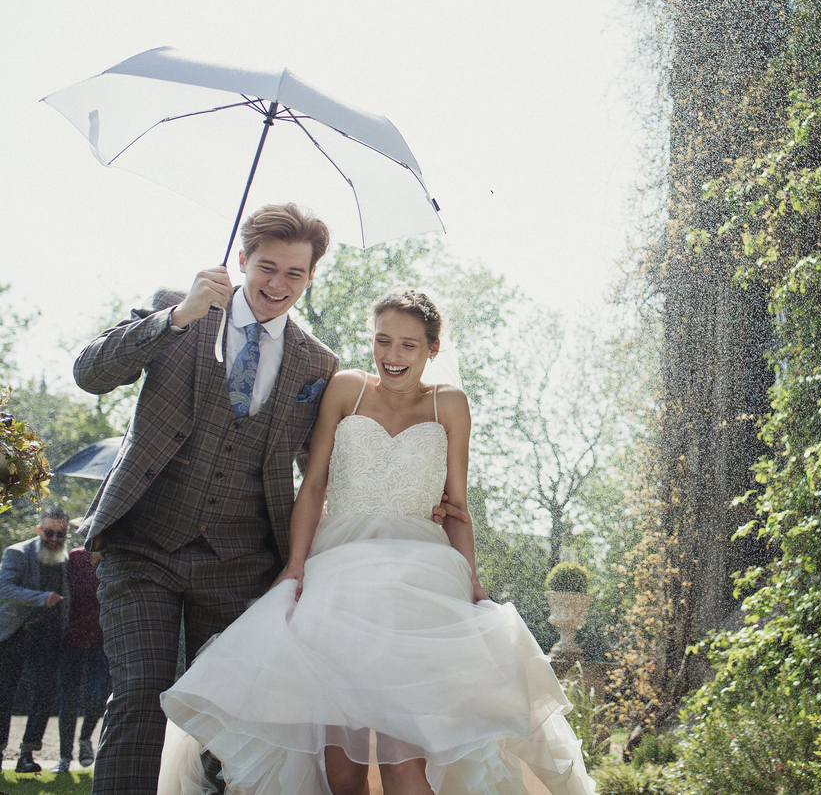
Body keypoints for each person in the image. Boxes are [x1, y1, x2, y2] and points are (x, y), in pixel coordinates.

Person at [158, 286, 595, 795]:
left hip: (420, 576)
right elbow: (314, 484)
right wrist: (295, 566)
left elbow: (457, 505)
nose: (393, 356)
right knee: (340, 770)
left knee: (402, 759)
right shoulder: (346, 389)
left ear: (433, 350)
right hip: (340, 572)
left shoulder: (450, 404)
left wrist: (471, 580)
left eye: (409, 345)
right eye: (383, 341)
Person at [73, 204, 340, 795]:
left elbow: (320, 473)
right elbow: (89, 373)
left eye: (294, 274)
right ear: (242, 260)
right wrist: (175, 317)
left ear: (311, 277)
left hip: (243, 562)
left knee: (228, 722)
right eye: (266, 267)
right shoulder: (182, 307)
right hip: (143, 545)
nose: (277, 284)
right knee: (141, 695)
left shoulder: (317, 362)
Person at [0, 507, 72, 774]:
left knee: (44, 693)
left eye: (61, 534)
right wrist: (40, 598)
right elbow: (4, 589)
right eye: (49, 533)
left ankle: (27, 754)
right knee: (4, 694)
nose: (54, 539)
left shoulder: (65, 559)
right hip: (15, 633)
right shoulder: (17, 553)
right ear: (39, 530)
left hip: (48, 636)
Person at [57, 540, 108, 772]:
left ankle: (85, 739)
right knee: (69, 700)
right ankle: (64, 756)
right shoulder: (73, 558)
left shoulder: (113, 559)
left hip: (101, 638)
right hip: (71, 638)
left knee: (97, 696)